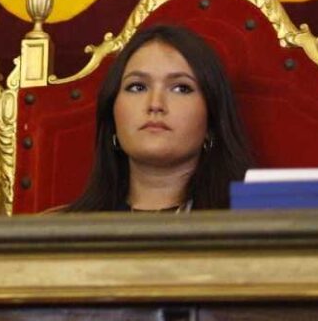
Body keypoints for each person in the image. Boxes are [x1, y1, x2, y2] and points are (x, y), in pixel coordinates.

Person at [65, 24, 254, 213]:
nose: (155, 104)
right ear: (112, 115)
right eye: (137, 87)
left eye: (181, 88)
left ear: (211, 120)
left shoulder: (251, 222)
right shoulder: (63, 227)